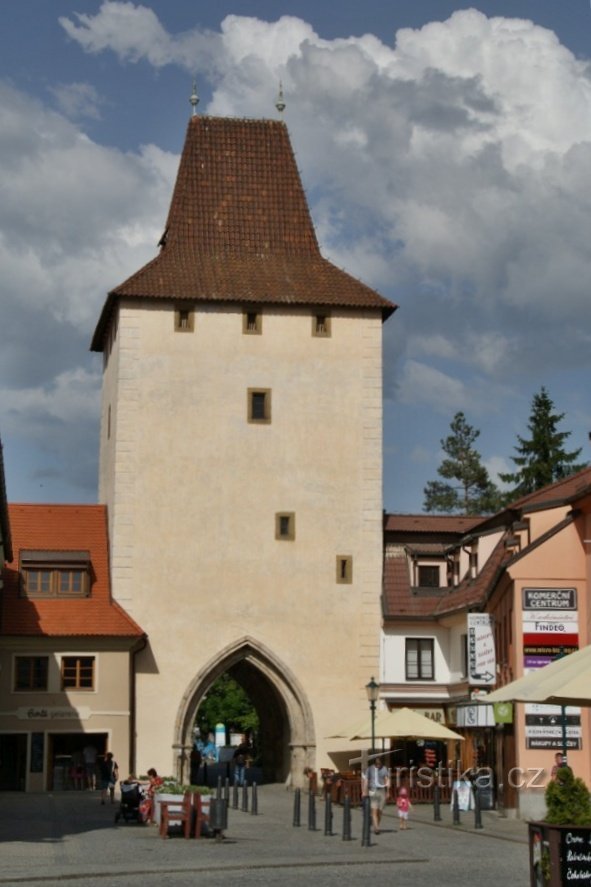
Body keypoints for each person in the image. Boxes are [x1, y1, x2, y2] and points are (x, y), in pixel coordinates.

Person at [362, 756, 390, 835]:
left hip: (382, 791)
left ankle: (376, 824)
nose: (378, 765)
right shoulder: (370, 769)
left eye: (379, 763)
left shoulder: (384, 769)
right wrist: (364, 791)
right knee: (374, 810)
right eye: (377, 763)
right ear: (374, 763)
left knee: (380, 811)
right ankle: (376, 827)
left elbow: (387, 780)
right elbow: (366, 780)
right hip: (373, 791)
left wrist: (388, 791)